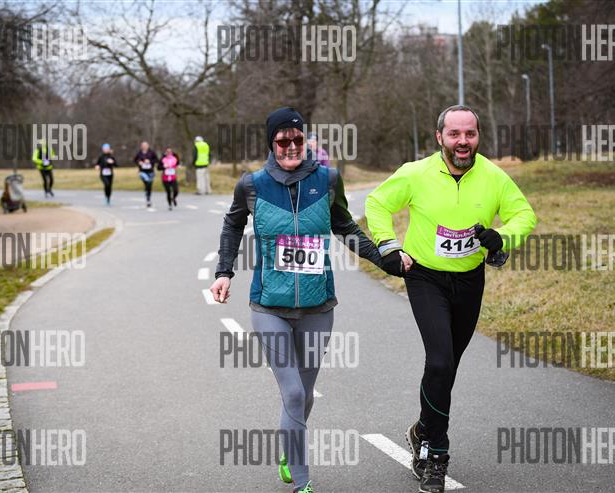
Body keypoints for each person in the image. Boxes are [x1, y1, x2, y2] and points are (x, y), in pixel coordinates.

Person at [209, 107, 384, 493]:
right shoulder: (252, 185)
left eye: (297, 139)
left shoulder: (328, 180)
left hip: (318, 307)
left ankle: (289, 449)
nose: (290, 146)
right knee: (291, 391)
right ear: (271, 143)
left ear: (306, 141)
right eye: (282, 140)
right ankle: (302, 482)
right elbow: (232, 224)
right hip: (269, 306)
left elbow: (345, 227)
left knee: (303, 395)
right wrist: (224, 272)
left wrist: (385, 261)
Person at [365, 105, 537, 493]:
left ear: (478, 137)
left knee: (448, 368)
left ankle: (422, 430)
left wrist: (502, 238)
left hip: (469, 281)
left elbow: (524, 215)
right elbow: (376, 203)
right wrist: (388, 246)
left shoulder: (493, 176)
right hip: (425, 278)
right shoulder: (416, 173)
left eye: (470, 134)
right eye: (455, 134)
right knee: (440, 360)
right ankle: (435, 456)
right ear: (439, 137)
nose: (463, 141)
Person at [133, 141, 158, 208]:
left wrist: (150, 161)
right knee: (147, 182)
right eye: (143, 145)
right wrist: (139, 162)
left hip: (150, 171)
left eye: (145, 145)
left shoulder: (152, 152)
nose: (144, 147)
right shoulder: (139, 153)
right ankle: (147, 196)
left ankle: (148, 198)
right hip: (142, 171)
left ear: (148, 146)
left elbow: (156, 160)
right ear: (141, 146)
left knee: (150, 185)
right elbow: (135, 160)